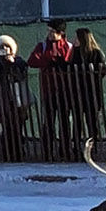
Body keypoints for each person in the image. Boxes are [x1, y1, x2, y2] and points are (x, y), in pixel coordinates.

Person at [28, 19, 75, 159]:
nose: (49, 34)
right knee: (48, 122)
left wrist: (63, 64)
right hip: (48, 90)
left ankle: (65, 151)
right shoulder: (42, 46)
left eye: (52, 31)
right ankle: (47, 151)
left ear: (60, 33)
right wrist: (47, 60)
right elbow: (32, 61)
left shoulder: (68, 47)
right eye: (48, 31)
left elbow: (72, 63)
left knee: (65, 122)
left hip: (64, 91)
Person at [0, 34, 30, 162]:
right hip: (2, 99)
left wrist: (13, 61)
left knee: (18, 125)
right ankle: (7, 153)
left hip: (17, 100)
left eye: (7, 47)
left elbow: (23, 68)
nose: (4, 50)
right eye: (2, 47)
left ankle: (18, 152)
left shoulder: (18, 60)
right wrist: (0, 60)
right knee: (6, 127)